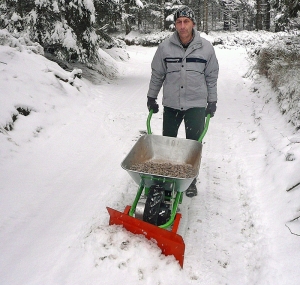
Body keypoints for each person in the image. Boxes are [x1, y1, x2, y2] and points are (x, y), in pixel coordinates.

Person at [146, 5, 219, 197]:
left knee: (192, 145)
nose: (182, 26)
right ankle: (167, 179)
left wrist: (212, 101)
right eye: (179, 22)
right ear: (175, 25)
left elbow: (211, 77)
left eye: (186, 21)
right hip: (171, 104)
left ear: (193, 23)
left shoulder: (206, 48)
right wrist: (151, 97)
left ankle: (190, 180)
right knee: (168, 143)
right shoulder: (165, 47)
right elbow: (157, 74)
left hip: (196, 105)